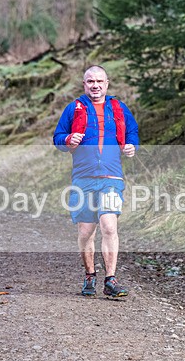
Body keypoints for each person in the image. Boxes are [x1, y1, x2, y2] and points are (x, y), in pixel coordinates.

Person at [53, 65, 139, 298]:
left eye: (100, 81)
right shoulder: (74, 109)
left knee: (109, 227)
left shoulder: (118, 108)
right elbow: (58, 138)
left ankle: (111, 280)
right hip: (83, 179)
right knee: (85, 232)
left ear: (107, 83)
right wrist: (69, 139)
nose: (95, 85)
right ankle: (90, 275)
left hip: (111, 177)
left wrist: (132, 146)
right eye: (91, 81)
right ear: (84, 84)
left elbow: (132, 132)